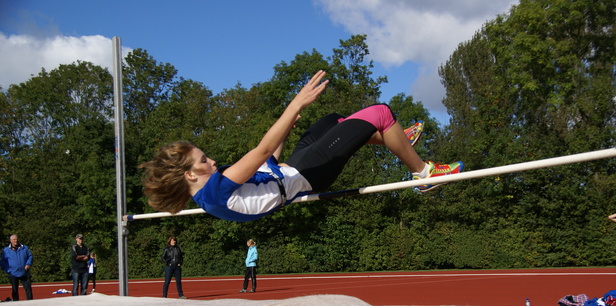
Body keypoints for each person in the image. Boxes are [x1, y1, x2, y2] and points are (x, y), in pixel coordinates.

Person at [140, 70, 463, 222]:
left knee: (331, 120)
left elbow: (267, 162)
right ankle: (423, 174)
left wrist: (283, 132)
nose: (211, 161)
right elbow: (261, 152)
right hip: (308, 175)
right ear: (189, 176)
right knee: (379, 112)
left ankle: (394, 138)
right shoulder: (215, 191)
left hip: (292, 168)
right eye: (203, 161)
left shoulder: (215, 187)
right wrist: (294, 105)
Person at [0, 234, 34, 301]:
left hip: (24, 272)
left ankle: (30, 302)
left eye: (17, 239)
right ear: (10, 241)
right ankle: (15, 303)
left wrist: (28, 264)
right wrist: (8, 270)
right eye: (14, 239)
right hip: (13, 273)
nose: (16, 241)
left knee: (28, 289)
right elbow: (2, 262)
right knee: (14, 290)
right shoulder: (6, 250)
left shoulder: (24, 248)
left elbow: (30, 256)